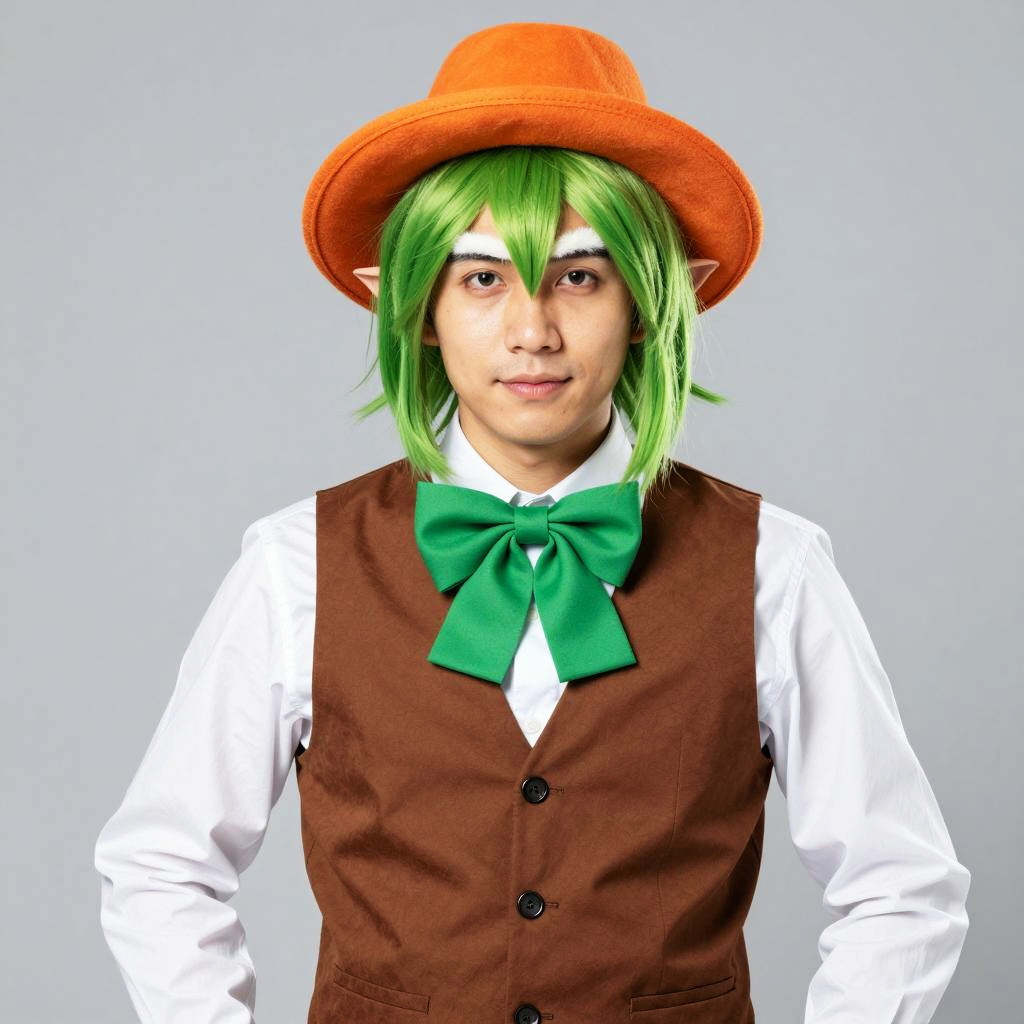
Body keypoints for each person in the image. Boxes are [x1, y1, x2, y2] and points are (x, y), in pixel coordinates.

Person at [94, 21, 971, 1024]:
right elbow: (160, 863)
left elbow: (901, 886)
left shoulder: (775, 566)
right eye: (482, 278)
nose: (531, 330)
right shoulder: (296, 566)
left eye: (578, 276)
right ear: (415, 308)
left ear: (649, 304)